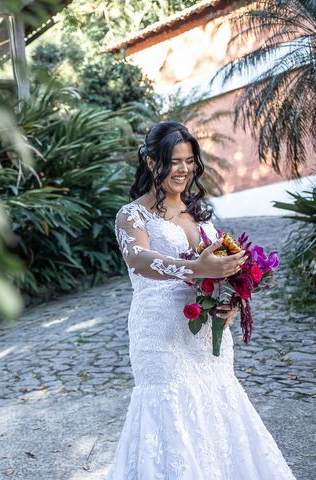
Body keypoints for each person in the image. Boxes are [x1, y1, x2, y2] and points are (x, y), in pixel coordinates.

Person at [106, 121, 295, 479]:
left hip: (206, 331)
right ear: (151, 162)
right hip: (160, 333)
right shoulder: (132, 215)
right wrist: (195, 267)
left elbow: (224, 260)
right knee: (169, 409)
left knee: (216, 400)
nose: (183, 169)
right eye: (173, 160)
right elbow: (139, 259)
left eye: (189, 160)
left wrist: (233, 298)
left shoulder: (201, 210)